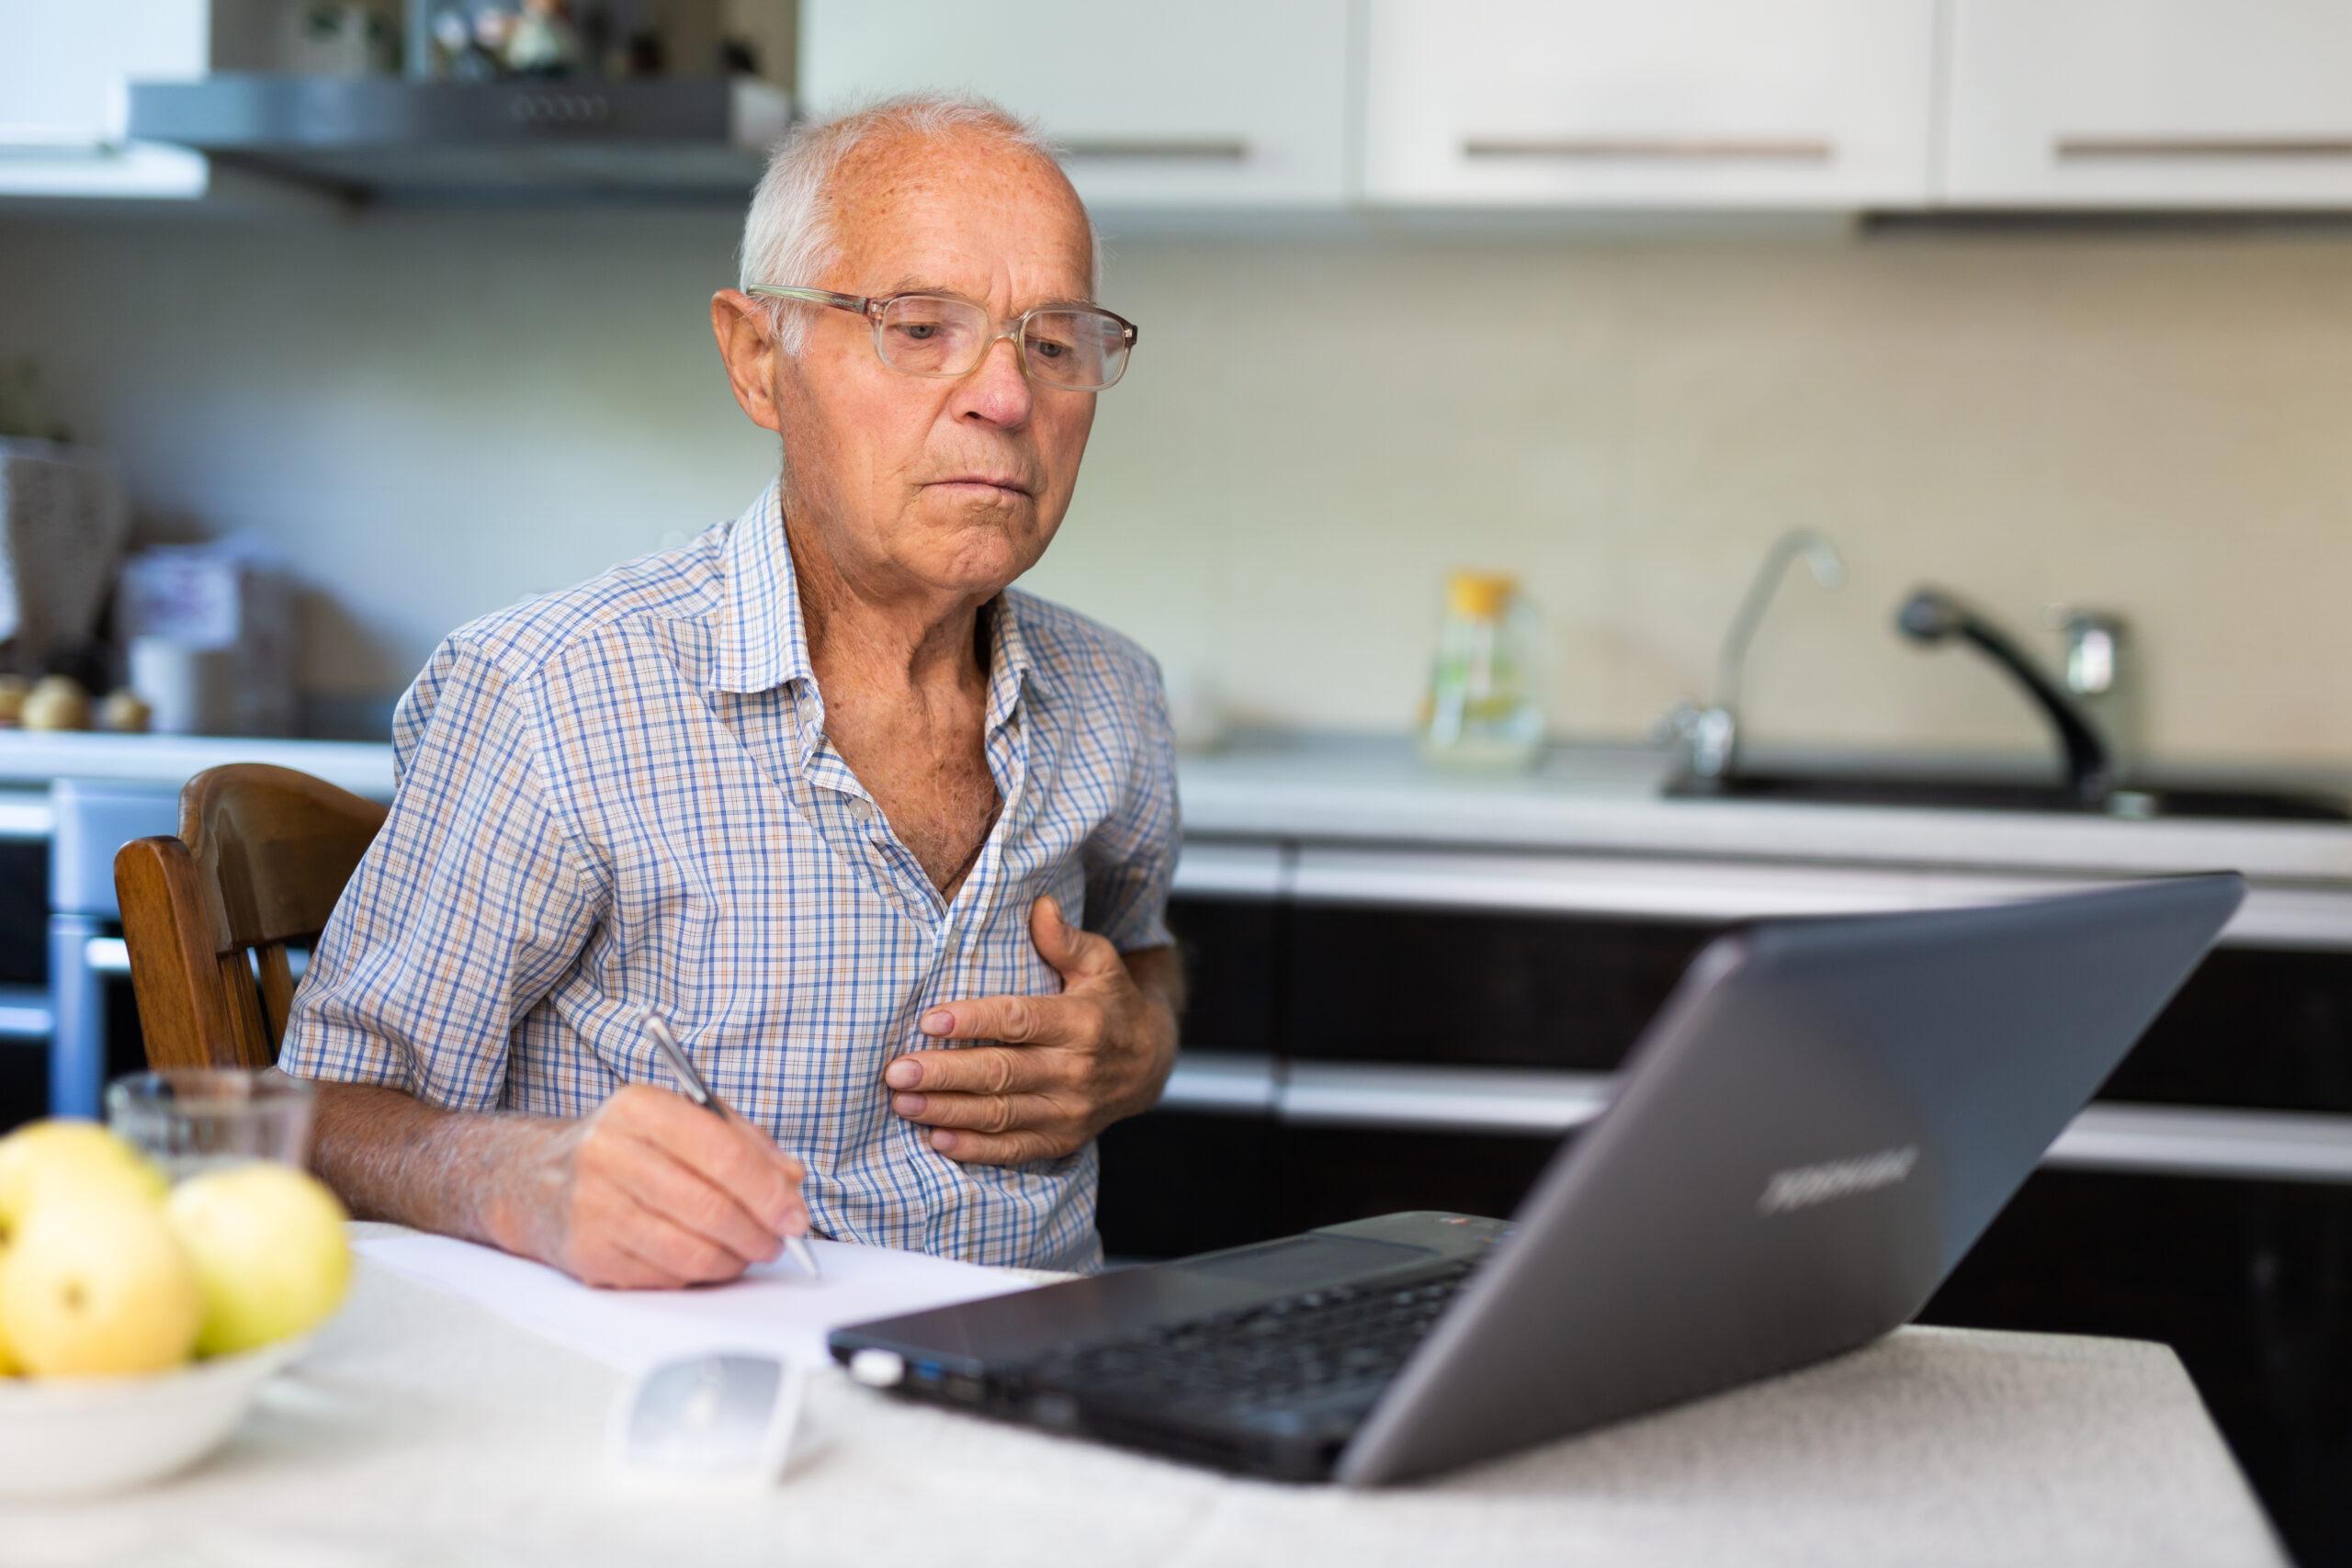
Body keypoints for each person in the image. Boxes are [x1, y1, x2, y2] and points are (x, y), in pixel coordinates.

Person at [276, 95, 1182, 1284]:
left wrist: (1144, 1042)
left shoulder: (1115, 700)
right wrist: (521, 1177)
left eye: (1054, 341)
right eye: (919, 327)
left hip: (1042, 1394)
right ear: (761, 359)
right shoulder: (550, 696)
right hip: (681, 1422)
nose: (1006, 399)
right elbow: (315, 1116)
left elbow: (1147, 956)